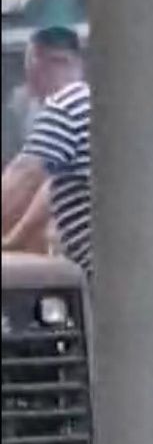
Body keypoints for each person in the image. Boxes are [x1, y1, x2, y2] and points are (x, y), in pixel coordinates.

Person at [1, 27, 92, 273]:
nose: (27, 83)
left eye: (28, 66)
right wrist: (13, 241)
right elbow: (49, 191)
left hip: (98, 265)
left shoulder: (66, 103)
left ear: (44, 61)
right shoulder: (90, 103)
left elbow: (25, 175)